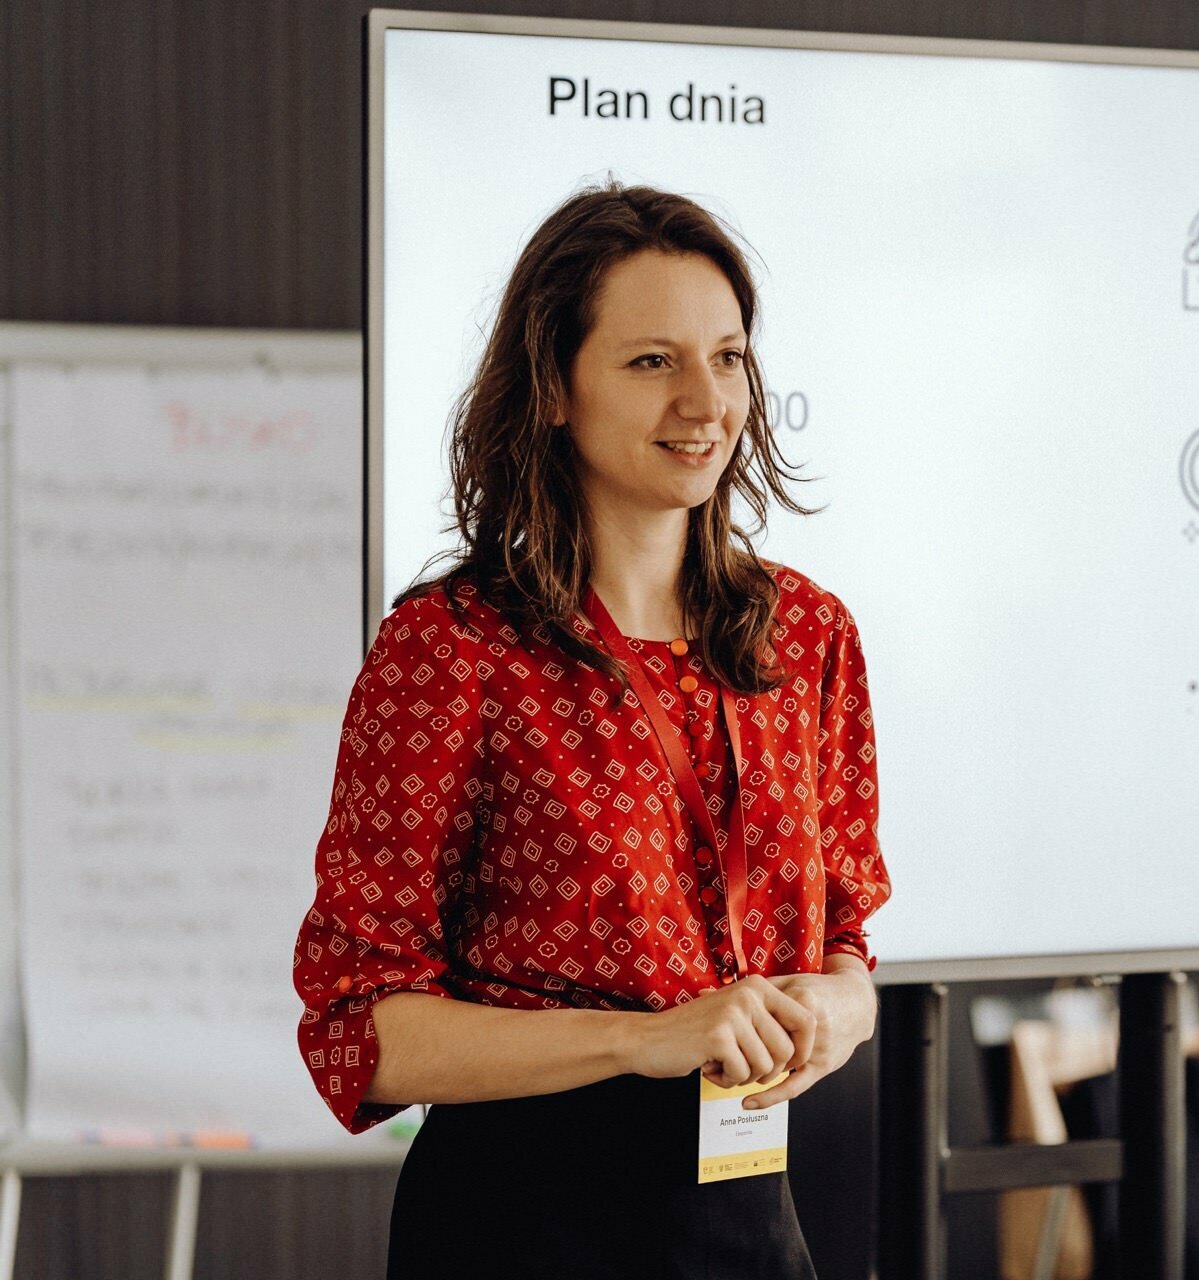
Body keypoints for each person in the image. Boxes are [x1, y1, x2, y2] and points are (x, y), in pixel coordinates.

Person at [292, 182, 892, 1278]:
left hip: (749, 1205)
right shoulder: (454, 648)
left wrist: (838, 1005)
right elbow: (361, 1030)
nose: (705, 401)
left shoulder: (806, 635)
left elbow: (851, 935)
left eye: (729, 356)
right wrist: (641, 1036)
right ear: (555, 389)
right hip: (526, 1218)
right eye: (652, 360)